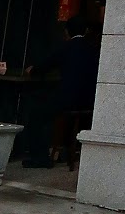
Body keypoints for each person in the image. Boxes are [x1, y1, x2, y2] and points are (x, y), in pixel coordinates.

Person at [20, 16, 101, 168]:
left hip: (68, 99)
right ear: (86, 31)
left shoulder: (66, 47)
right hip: (90, 101)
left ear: (66, 32)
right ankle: (67, 150)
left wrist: (33, 69)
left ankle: (40, 158)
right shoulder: (94, 49)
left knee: (37, 115)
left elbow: (45, 65)